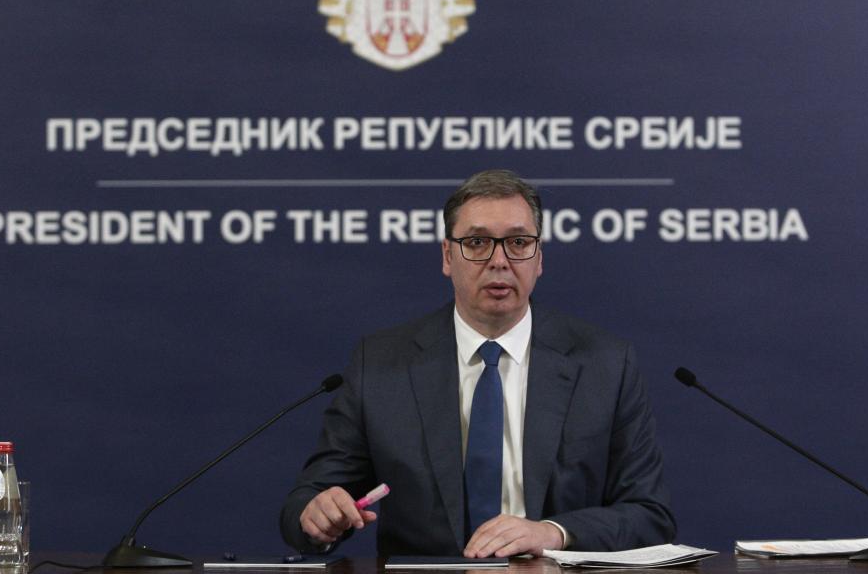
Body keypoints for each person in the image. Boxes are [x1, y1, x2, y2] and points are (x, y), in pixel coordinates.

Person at [280, 170, 674, 557]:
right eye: (477, 242)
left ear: (539, 258)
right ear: (447, 256)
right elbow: (307, 501)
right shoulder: (383, 365)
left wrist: (553, 533)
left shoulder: (605, 364)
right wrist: (317, 516)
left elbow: (650, 514)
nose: (499, 260)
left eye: (518, 242)